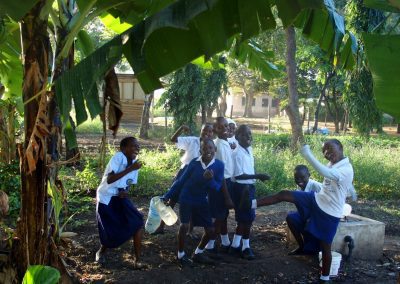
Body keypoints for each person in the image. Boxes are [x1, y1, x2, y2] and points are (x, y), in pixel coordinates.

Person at [257, 139, 354, 283]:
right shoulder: (334, 164)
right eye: (324, 151)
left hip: (330, 213)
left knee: (325, 246)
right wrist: (351, 189)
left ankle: (324, 278)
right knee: (284, 194)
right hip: (316, 200)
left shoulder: (346, 169)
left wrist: (307, 154)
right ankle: (250, 204)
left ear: (340, 147)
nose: (327, 153)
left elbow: (326, 172)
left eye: (330, 148)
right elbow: (332, 178)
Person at [164, 139, 224, 266]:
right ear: (200, 150)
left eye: (210, 148)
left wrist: (210, 179)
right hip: (187, 196)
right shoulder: (194, 163)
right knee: (184, 226)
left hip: (201, 199)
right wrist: (167, 195)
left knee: (210, 230)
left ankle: (198, 253)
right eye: (204, 148)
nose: (207, 151)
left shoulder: (219, 165)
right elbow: (181, 181)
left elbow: (217, 187)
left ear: (215, 150)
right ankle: (180, 255)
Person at [154, 123, 214, 235]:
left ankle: (190, 230)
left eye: (210, 131)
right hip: (185, 172)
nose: (207, 133)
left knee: (193, 200)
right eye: (205, 130)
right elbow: (173, 139)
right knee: (172, 199)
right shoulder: (193, 140)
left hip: (200, 175)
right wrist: (181, 128)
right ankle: (161, 226)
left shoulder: (213, 145)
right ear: (200, 130)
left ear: (213, 133)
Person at [95, 137, 146, 269]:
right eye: (133, 146)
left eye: (138, 146)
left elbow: (128, 184)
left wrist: (125, 191)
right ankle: (101, 252)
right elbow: (110, 180)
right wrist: (131, 168)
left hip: (119, 197)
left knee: (138, 221)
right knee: (109, 228)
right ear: (123, 148)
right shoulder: (118, 158)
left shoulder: (135, 163)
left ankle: (138, 260)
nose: (137, 148)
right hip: (106, 197)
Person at [229, 125, 270, 260]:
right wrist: (258, 176)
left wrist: (255, 178)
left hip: (249, 188)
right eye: (245, 135)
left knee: (248, 218)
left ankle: (235, 245)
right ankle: (245, 247)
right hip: (241, 190)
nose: (248, 137)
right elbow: (239, 175)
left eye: (250, 134)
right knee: (244, 219)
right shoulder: (237, 154)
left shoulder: (249, 149)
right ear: (237, 137)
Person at [205, 117, 234, 255]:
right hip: (221, 184)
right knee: (219, 216)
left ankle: (225, 241)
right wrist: (227, 196)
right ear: (215, 130)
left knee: (223, 215)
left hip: (224, 183)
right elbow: (221, 173)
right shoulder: (220, 146)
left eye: (227, 126)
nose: (226, 129)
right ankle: (209, 245)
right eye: (221, 127)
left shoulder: (224, 143)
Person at [287, 165, 322, 255]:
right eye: (296, 178)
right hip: (306, 214)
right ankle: (301, 246)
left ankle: (315, 250)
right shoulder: (299, 188)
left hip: (319, 215)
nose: (299, 180)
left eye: (302, 177)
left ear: (309, 175)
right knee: (290, 218)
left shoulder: (317, 186)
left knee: (309, 223)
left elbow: (326, 204)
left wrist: (311, 217)